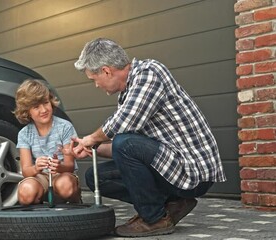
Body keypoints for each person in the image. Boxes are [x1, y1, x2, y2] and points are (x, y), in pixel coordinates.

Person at [70, 38, 226, 237]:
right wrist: (91, 148)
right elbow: (129, 151)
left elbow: (125, 126)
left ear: (106, 71)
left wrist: (92, 138)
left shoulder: (149, 73)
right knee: (96, 177)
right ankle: (172, 204)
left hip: (192, 171)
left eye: (94, 79)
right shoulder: (128, 93)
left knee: (123, 142)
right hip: (170, 167)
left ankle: (154, 219)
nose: (96, 85)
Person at [14, 79, 81, 206]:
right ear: (27, 111)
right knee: (26, 192)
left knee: (65, 186)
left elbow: (70, 166)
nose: (43, 109)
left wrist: (58, 167)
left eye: (45, 103)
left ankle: (75, 203)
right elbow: (26, 171)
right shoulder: (24, 134)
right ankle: (39, 217)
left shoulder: (65, 127)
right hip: (40, 177)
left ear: (51, 102)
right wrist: (36, 167)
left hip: (62, 174)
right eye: (36, 107)